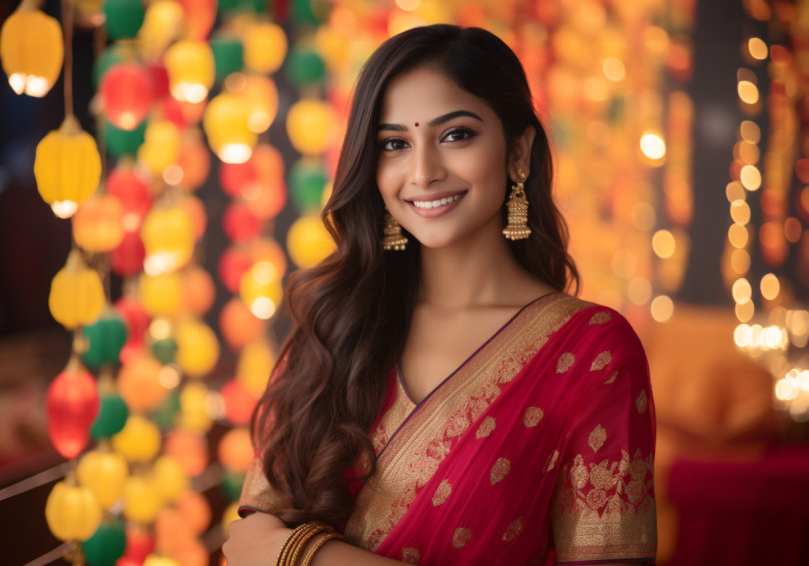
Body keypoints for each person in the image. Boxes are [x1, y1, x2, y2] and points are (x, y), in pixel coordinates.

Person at [223, 24, 657, 566]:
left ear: (518, 150)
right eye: (395, 144)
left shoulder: (593, 353)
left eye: (455, 135)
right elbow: (246, 541)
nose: (423, 172)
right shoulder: (338, 320)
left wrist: (309, 557)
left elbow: (271, 550)